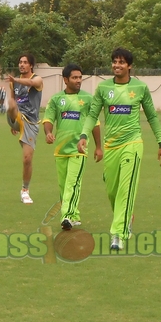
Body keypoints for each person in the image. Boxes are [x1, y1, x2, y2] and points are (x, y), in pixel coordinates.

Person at [77, 48, 161, 251]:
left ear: (129, 66)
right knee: (112, 190)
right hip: (111, 146)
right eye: (114, 62)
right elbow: (92, 115)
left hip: (132, 144)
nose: (117, 65)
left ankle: (118, 234)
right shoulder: (103, 88)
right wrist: (83, 135)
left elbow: (152, 116)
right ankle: (127, 217)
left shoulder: (140, 88)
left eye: (121, 62)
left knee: (126, 190)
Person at [41, 63, 102, 230]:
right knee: (63, 186)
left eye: (80, 77)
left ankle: (66, 216)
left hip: (79, 150)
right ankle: (74, 215)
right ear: (65, 80)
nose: (78, 80)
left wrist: (98, 147)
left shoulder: (88, 99)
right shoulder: (56, 100)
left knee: (72, 184)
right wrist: (48, 133)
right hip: (60, 150)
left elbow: (95, 123)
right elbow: (48, 119)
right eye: (74, 77)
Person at [0, 54, 43, 204]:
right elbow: (14, 99)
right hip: (17, 116)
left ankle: (25, 190)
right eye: (20, 62)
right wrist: (13, 121)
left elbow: (31, 82)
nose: (22, 65)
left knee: (27, 159)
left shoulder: (38, 80)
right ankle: (4, 107)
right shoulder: (14, 84)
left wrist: (16, 80)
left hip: (31, 122)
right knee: (11, 103)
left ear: (31, 65)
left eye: (25, 62)